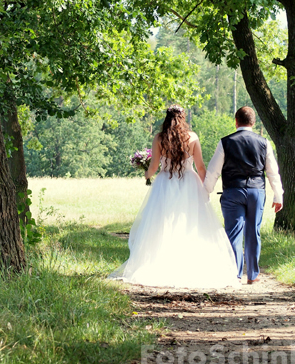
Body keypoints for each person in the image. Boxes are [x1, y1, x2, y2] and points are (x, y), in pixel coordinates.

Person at [109, 105, 238, 289]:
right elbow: (201, 167)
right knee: (190, 222)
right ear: (183, 118)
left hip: (165, 182)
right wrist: (206, 188)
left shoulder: (159, 138)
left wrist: (146, 174)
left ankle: (161, 261)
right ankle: (187, 264)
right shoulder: (192, 138)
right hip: (189, 183)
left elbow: (154, 167)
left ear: (166, 118)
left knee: (161, 222)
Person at [203, 106, 283, 284]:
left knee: (233, 232)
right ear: (253, 123)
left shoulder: (225, 142)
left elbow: (213, 170)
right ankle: (253, 274)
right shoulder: (264, 143)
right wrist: (278, 196)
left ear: (236, 121)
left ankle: (235, 273)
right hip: (256, 191)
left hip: (232, 190)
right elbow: (272, 172)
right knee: (253, 231)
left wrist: (206, 191)